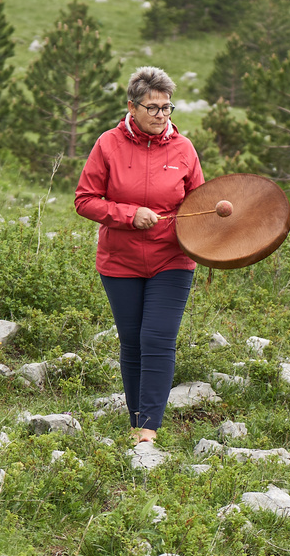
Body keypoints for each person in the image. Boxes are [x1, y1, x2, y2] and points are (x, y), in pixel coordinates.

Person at [74, 65, 204, 445]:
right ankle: (136, 420)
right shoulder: (107, 145)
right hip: (121, 261)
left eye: (167, 108)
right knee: (131, 341)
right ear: (131, 107)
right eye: (153, 108)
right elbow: (85, 201)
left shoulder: (184, 149)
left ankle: (148, 428)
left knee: (158, 338)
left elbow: (200, 205)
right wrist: (130, 215)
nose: (161, 115)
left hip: (172, 260)